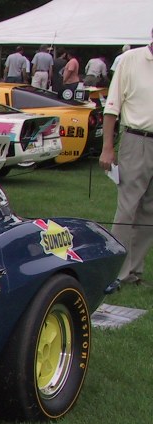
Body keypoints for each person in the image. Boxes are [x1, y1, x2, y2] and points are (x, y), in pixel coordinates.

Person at [99, 32, 153, 293]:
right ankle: (116, 271)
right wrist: (107, 148)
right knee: (128, 207)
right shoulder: (130, 60)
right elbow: (112, 108)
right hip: (136, 140)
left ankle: (133, 271)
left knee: (149, 211)